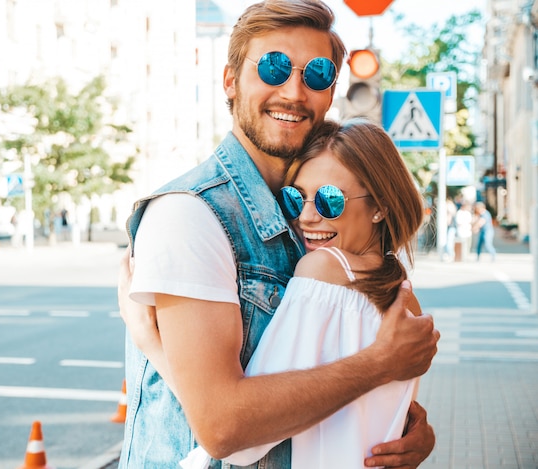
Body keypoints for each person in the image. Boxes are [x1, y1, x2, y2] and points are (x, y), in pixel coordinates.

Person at [118, 1, 439, 468]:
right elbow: (223, 427)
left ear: (331, 91)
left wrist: (405, 427)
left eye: (317, 74)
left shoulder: (305, 221)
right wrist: (379, 366)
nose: (293, 91)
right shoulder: (191, 216)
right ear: (230, 81)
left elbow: (331, 385)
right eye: (273, 67)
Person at [176, 118, 426, 468]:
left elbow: (236, 439)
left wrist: (150, 340)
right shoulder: (407, 300)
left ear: (380, 207)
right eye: (295, 199)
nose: (307, 217)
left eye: (329, 200)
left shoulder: (322, 271)